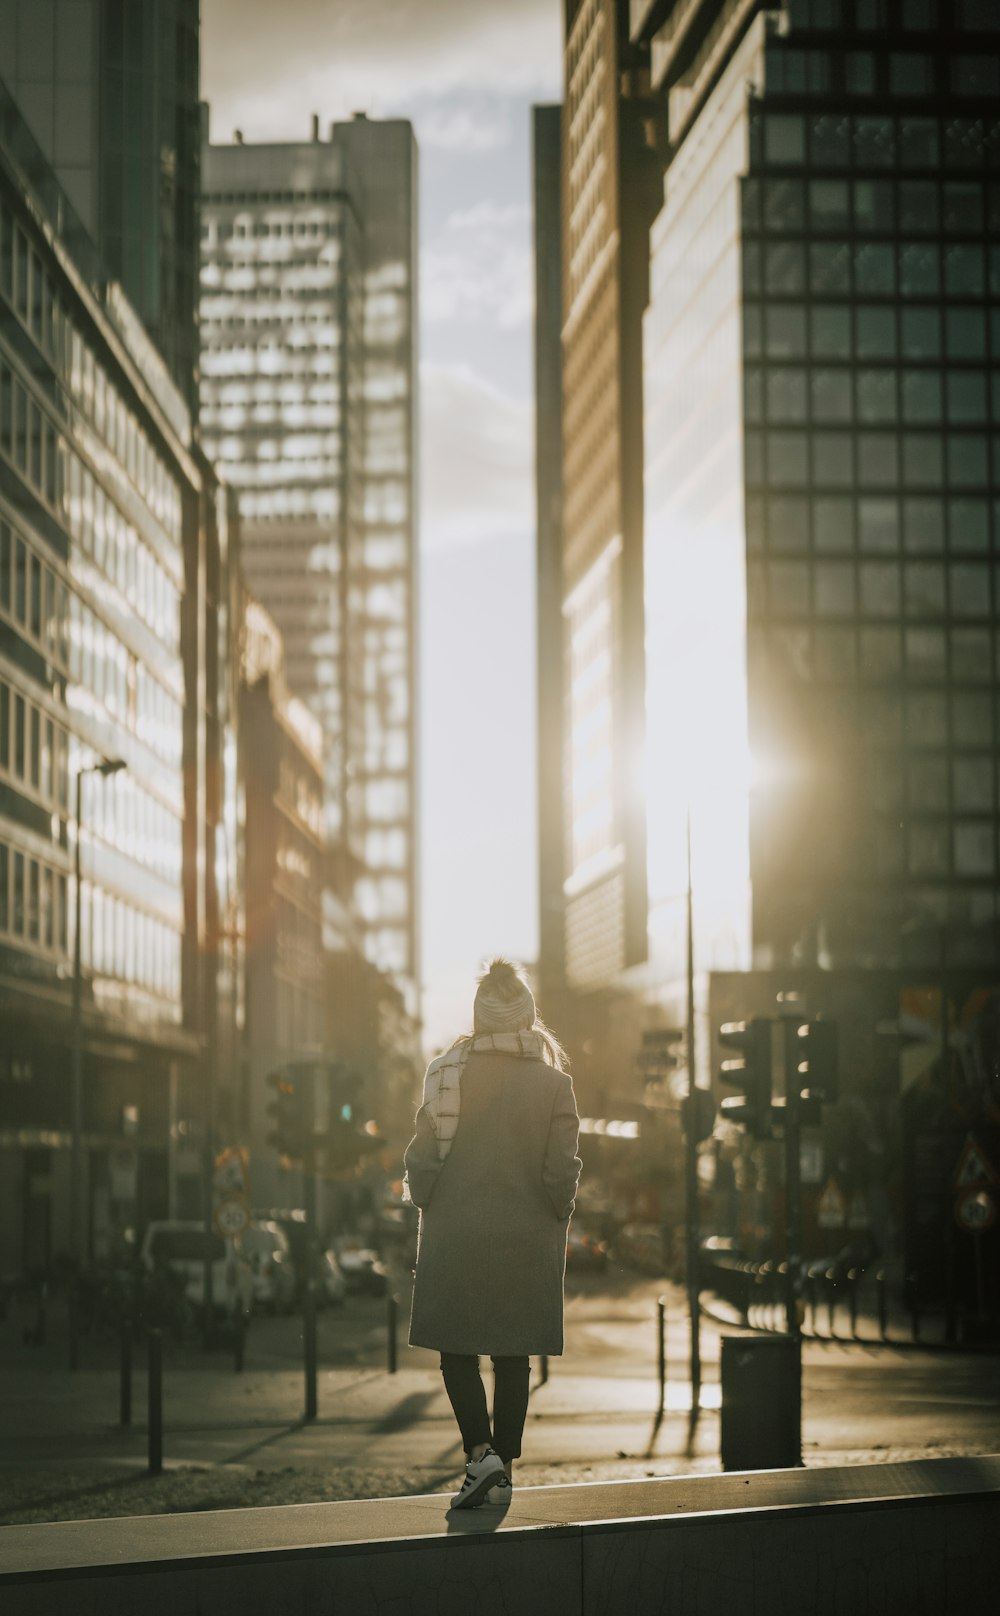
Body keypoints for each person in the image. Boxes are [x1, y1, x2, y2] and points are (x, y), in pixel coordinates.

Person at [403, 958, 582, 1510]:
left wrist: (428, 1197)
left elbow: (422, 1161)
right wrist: (556, 1213)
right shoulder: (556, 1086)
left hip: (455, 1231)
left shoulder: (445, 1073)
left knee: (457, 1351)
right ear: (528, 1019)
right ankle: (500, 1465)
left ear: (479, 1019)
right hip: (526, 1236)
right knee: (512, 1353)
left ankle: (481, 1453)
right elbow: (562, 1171)